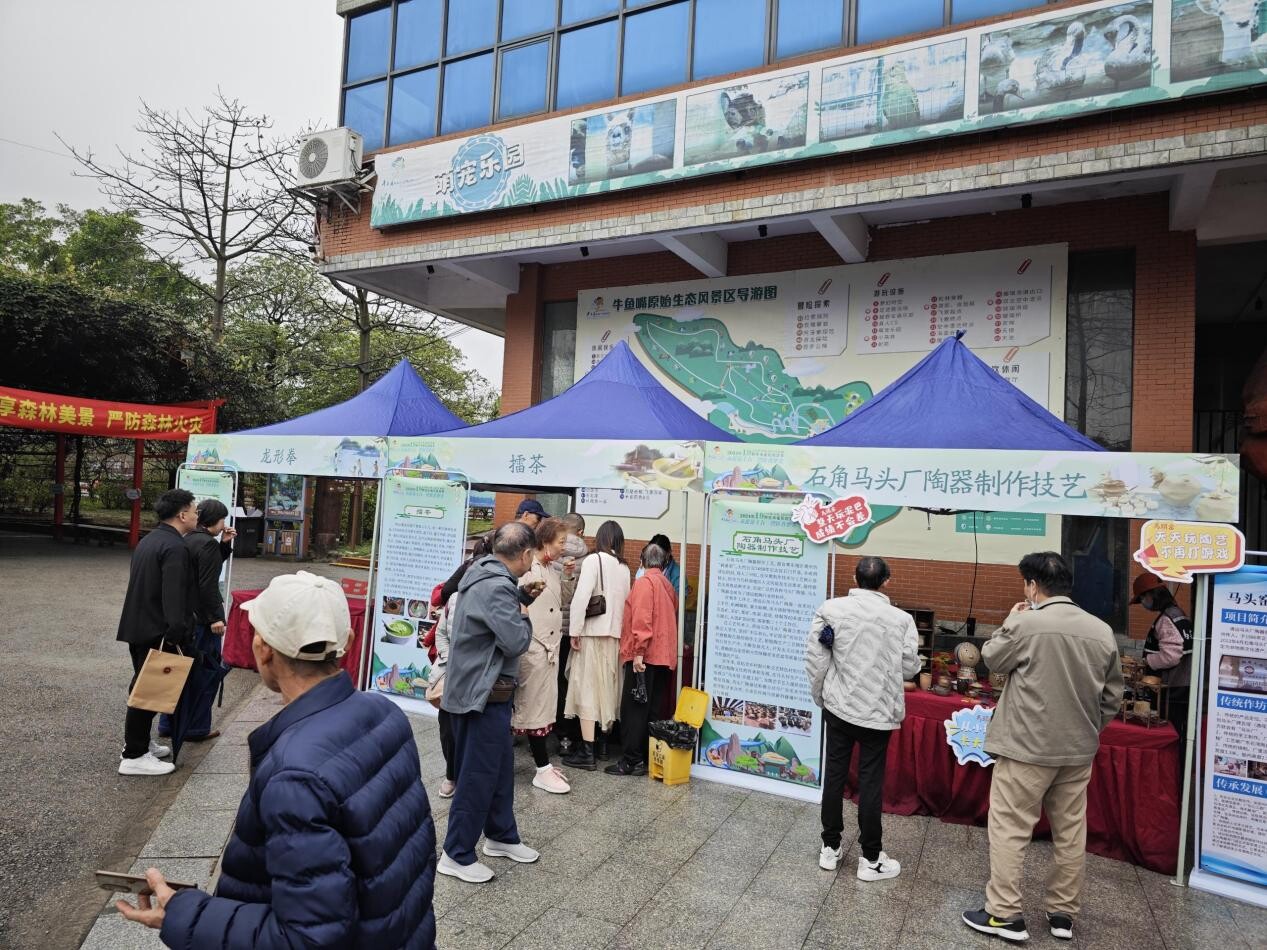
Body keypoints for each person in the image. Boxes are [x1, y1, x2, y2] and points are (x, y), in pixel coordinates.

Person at [117, 571, 437, 948]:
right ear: (348, 643)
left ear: (264, 648)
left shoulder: (294, 774)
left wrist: (185, 913)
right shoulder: (384, 712)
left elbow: (305, 938)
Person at [962, 552, 1123, 944]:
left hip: (1025, 748)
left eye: (1025, 584)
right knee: (1070, 832)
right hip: (1076, 750)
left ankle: (1004, 913)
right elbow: (1112, 697)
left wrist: (1011, 620)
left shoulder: (1027, 623)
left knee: (1010, 828)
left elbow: (992, 659)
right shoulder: (1101, 631)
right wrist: (1089, 729)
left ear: (1033, 586)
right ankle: (1062, 914)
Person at [805, 557, 921, 880]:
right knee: (871, 783)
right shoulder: (901, 620)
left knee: (834, 775)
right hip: (878, 712)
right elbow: (910, 668)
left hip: (839, 707)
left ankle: (830, 847)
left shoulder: (831, 610)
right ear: (887, 582)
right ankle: (871, 858)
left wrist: (820, 695)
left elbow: (816, 658)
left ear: (855, 579)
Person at [438, 522, 541, 884]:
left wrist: (520, 599)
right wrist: (524, 614)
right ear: (525, 554)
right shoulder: (497, 586)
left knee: (498, 768)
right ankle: (456, 853)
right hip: (482, 694)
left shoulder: (482, 573)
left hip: (482, 689)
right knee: (478, 774)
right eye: (533, 554)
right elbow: (515, 641)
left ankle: (500, 836)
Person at [115, 488, 197, 776]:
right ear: (182, 514)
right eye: (194, 510)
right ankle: (134, 755)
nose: (196, 515)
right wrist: (177, 633)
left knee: (143, 686)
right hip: (158, 630)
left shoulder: (150, 540)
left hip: (138, 625)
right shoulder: (175, 547)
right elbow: (173, 595)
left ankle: (138, 744)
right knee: (149, 690)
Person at [157, 499, 235, 744]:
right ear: (215, 520)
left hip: (185, 616)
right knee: (204, 673)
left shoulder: (188, 539)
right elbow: (208, 585)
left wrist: (224, 545)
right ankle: (196, 727)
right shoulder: (207, 544)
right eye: (222, 519)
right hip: (203, 620)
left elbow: (202, 572)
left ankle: (167, 723)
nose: (224, 524)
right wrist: (216, 617)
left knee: (179, 672)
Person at [562, 520, 631, 771]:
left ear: (600, 537)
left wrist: (574, 631)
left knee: (587, 690)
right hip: (615, 637)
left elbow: (581, 598)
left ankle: (587, 752)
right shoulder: (625, 567)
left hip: (592, 634)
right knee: (608, 691)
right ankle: (603, 746)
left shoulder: (593, 560)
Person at [608, 542, 679, 776]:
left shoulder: (643, 583)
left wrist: (638, 652)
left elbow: (642, 619)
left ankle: (631, 760)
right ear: (664, 562)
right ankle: (649, 758)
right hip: (663, 657)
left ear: (642, 560)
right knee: (653, 710)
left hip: (644, 657)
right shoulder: (668, 585)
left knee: (634, 709)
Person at [431, 532, 494, 799]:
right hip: (452, 672)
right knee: (448, 727)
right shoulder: (455, 599)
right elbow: (441, 634)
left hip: (480, 675)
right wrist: (449, 659)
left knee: (475, 729)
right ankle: (451, 774)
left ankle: (469, 776)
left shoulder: (495, 599)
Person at [513, 517, 572, 794]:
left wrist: (568, 576)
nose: (564, 546)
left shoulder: (551, 569)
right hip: (534, 647)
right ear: (546, 540)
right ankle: (541, 768)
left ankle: (542, 766)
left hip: (549, 648)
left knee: (540, 708)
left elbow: (562, 602)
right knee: (531, 709)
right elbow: (519, 606)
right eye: (561, 541)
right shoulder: (528, 568)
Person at [1131, 573, 1192, 739]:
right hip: (1183, 686)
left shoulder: (1167, 619)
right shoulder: (1178, 613)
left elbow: (1171, 656)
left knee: (1171, 734)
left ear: (1152, 595)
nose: (1143, 603)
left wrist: (1147, 660)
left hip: (1172, 689)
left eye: (1142, 598)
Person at [555, 512, 588, 756]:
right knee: (570, 681)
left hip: (552, 628)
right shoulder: (589, 559)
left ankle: (543, 731)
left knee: (550, 681)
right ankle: (567, 736)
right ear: (581, 532)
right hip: (575, 632)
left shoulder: (552, 554)